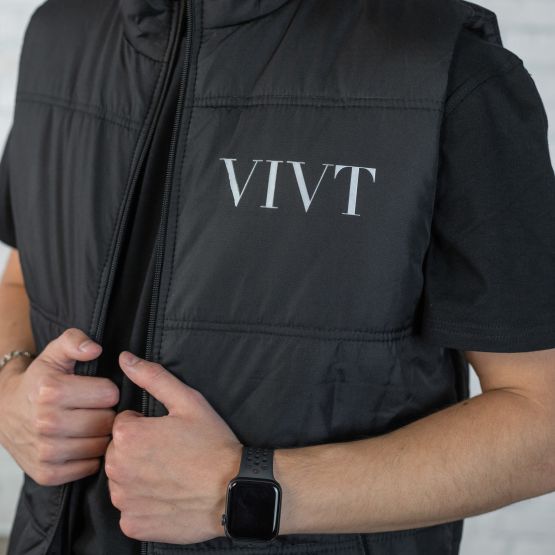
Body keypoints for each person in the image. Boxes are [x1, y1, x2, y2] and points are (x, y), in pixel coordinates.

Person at [0, 1, 554, 554]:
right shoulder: (59, 32)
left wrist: (245, 491)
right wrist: (9, 389)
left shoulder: (442, 66)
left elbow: (542, 418)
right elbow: (22, 282)